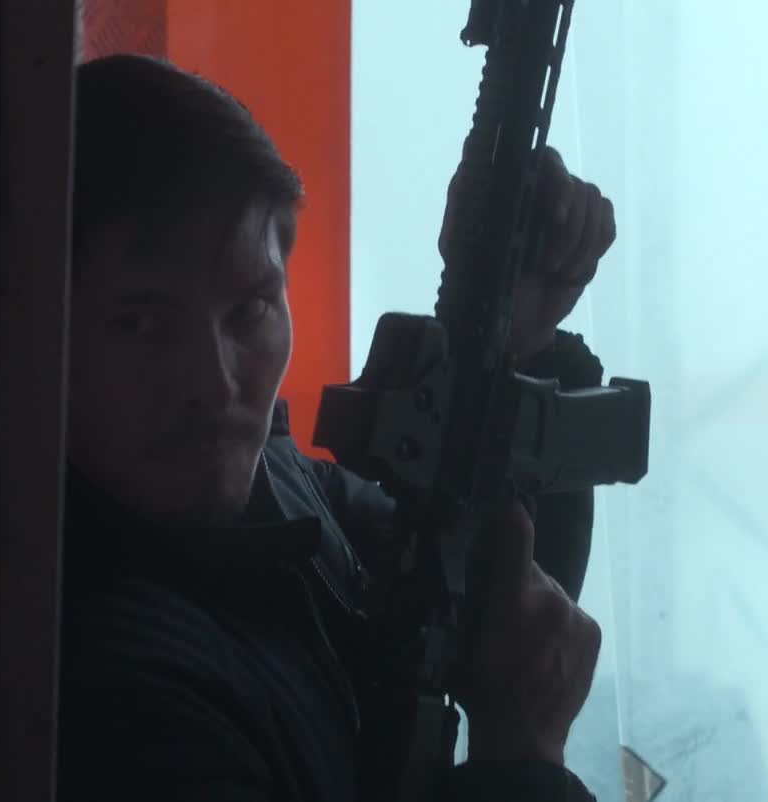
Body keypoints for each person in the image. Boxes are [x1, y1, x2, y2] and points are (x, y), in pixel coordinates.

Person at [58, 54, 620, 802]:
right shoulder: (117, 692)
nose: (214, 383)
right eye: (141, 323)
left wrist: (514, 336)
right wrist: (520, 758)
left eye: (251, 310)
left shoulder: (275, 490)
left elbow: (488, 608)